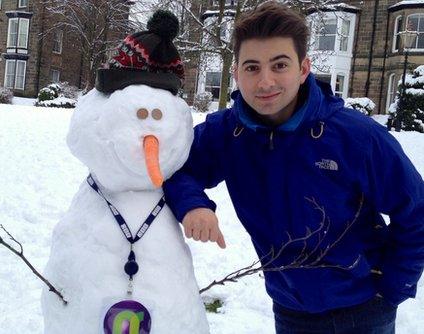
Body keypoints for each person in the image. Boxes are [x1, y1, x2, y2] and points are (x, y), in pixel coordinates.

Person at [163, 2, 424, 333]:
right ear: (236, 73)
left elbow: (415, 210)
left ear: (303, 69)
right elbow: (173, 166)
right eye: (252, 67)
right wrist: (193, 204)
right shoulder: (227, 133)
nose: (265, 81)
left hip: (364, 312)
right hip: (290, 311)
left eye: (280, 64)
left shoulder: (356, 136)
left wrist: (394, 288)